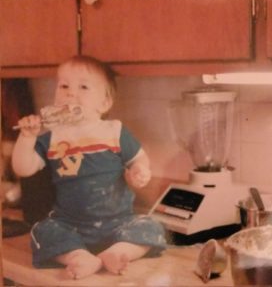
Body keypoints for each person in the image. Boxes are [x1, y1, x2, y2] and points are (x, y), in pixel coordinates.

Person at [12, 55, 166, 280]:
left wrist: (139, 172)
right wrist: (26, 137)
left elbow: (139, 161)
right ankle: (78, 256)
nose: (70, 93)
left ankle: (117, 252)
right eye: (63, 86)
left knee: (152, 227)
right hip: (69, 224)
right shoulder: (51, 138)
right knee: (41, 231)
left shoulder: (115, 131)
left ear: (104, 103)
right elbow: (23, 168)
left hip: (119, 223)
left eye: (83, 87)